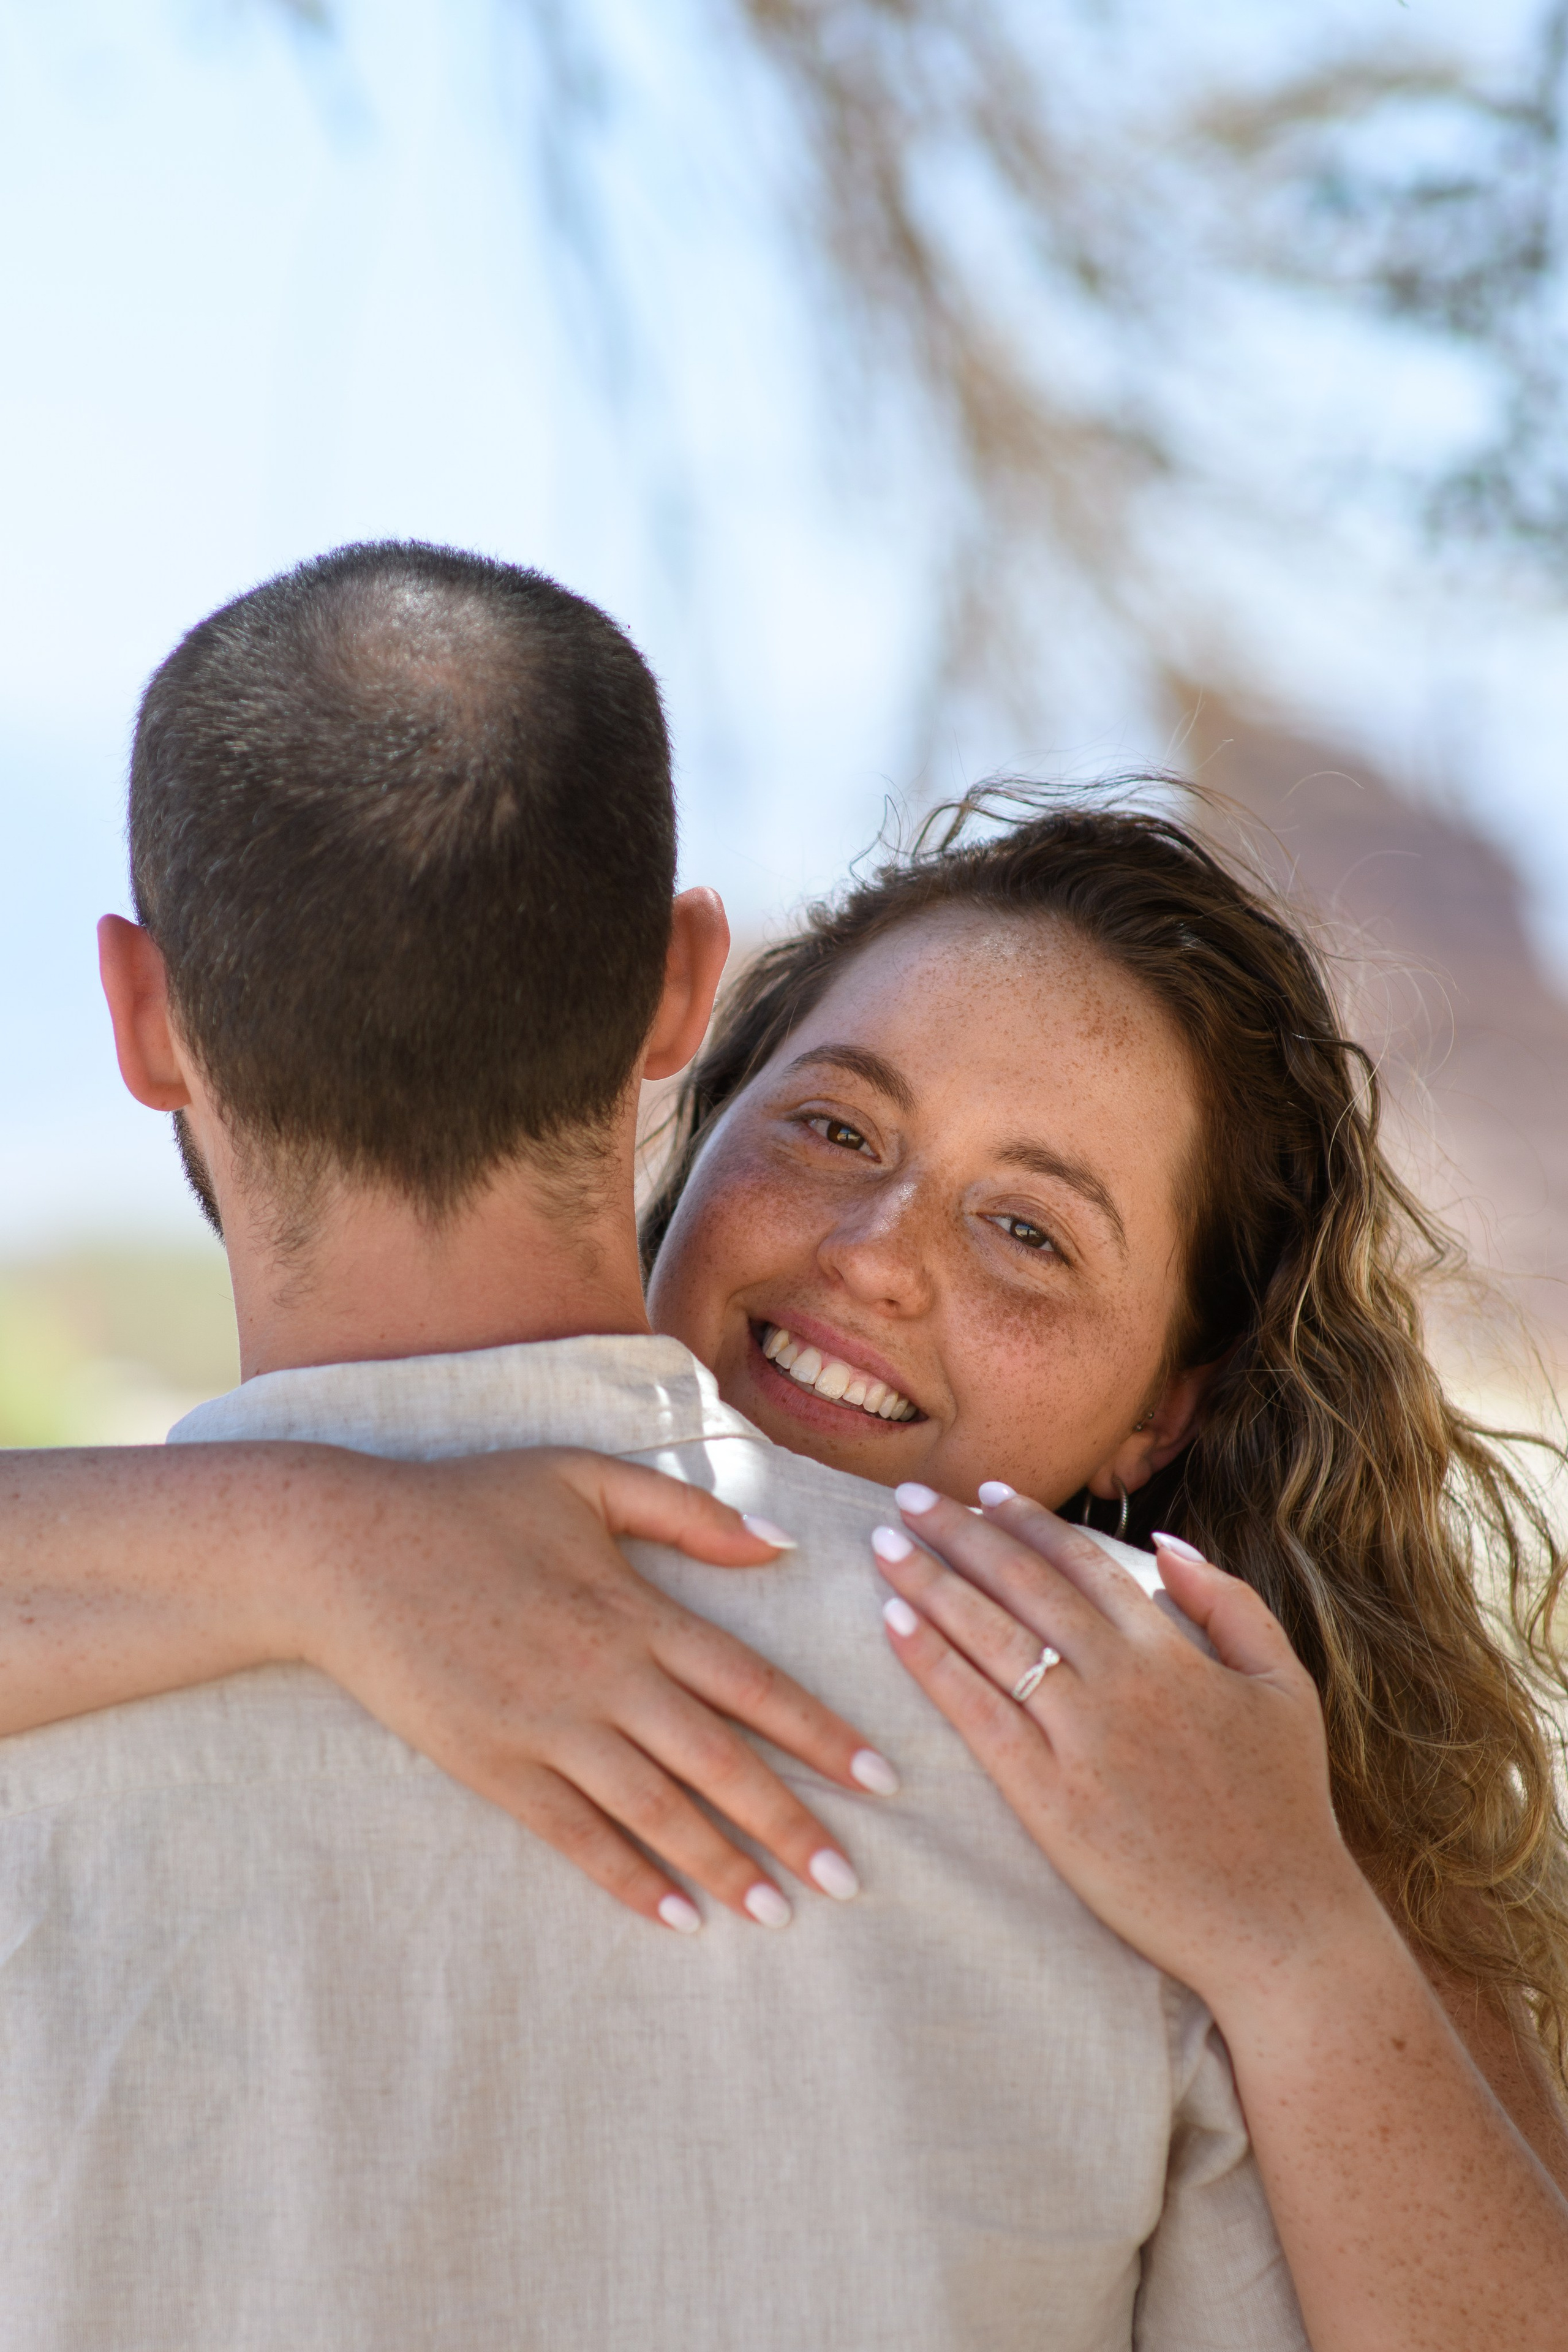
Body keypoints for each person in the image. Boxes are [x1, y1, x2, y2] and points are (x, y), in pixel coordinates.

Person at [0, 585, 1563, 2346]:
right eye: (833, 1129)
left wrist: (1305, 1947)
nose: (879, 1258)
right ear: (687, 1013)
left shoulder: (1212, 1810)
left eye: (1032, 1235)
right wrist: (319, 1540)